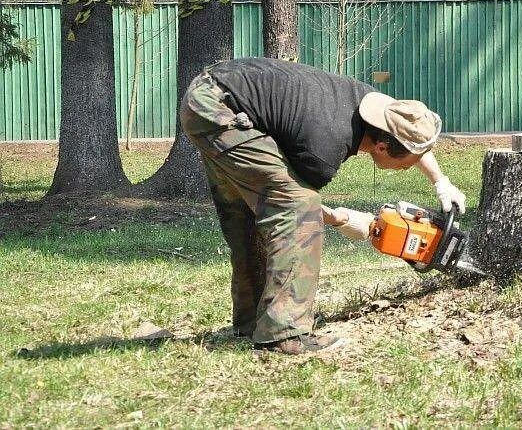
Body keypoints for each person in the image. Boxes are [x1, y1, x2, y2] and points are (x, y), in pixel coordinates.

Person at [179, 57, 466, 355]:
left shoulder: (375, 107)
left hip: (214, 93)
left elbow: (411, 130)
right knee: (297, 208)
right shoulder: (324, 150)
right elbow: (294, 208)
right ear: (381, 147)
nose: (409, 168)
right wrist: (347, 220)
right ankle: (282, 333)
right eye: (408, 162)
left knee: (247, 213)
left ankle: (253, 321)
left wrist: (441, 182)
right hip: (218, 110)